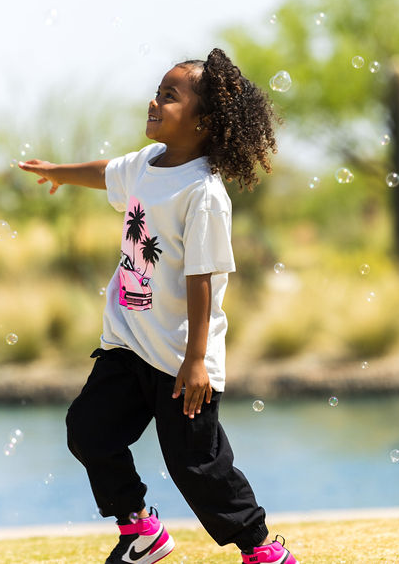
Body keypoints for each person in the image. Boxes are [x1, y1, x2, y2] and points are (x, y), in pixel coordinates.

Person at [19, 48, 296, 564]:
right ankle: (140, 530)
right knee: (88, 431)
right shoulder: (146, 165)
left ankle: (262, 550)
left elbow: (202, 280)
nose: (155, 101)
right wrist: (59, 170)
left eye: (170, 96)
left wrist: (195, 361)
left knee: (198, 467)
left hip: (178, 360)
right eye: (157, 91)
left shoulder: (203, 193)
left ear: (204, 121)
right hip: (126, 344)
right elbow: (107, 172)